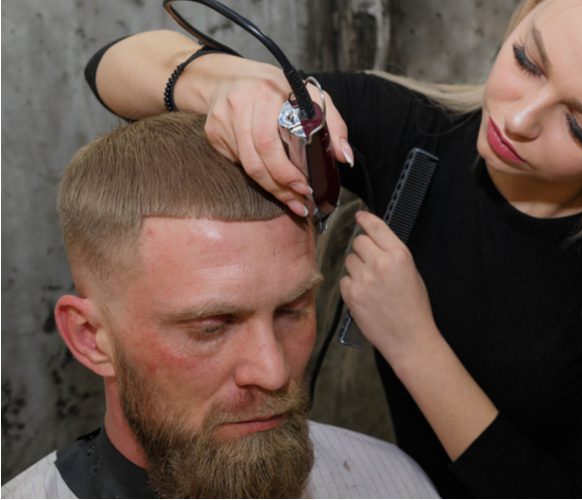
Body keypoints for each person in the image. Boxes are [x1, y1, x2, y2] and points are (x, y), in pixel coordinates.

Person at [84, 0, 582, 496]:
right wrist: (233, 86)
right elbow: (112, 67)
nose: (516, 120)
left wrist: (414, 344)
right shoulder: (414, 140)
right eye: (527, 60)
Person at [1, 112, 438, 499]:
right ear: (90, 338)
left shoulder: (390, 483)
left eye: (292, 310)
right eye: (212, 326)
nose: (274, 372)